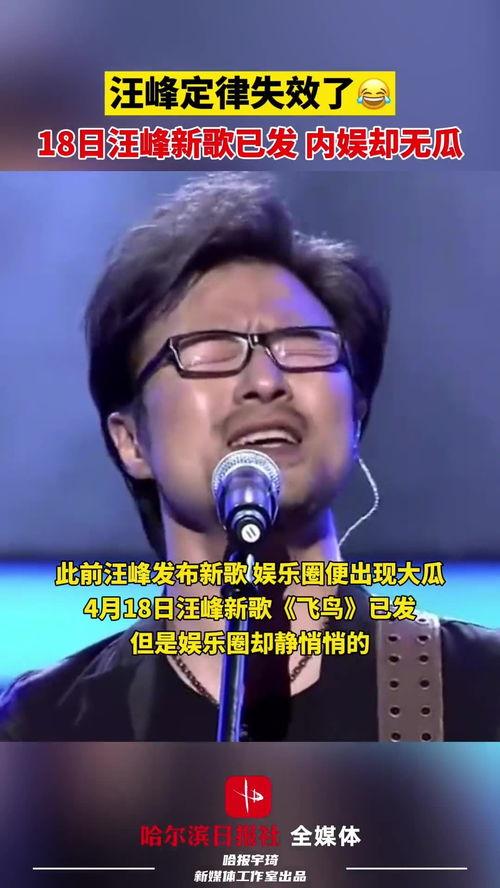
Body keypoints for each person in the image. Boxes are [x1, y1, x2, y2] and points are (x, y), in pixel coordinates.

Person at [1, 173, 499, 741]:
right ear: (131, 441)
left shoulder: (477, 689)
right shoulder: (50, 726)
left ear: (356, 414)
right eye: (210, 351)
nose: (265, 381)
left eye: (303, 345)